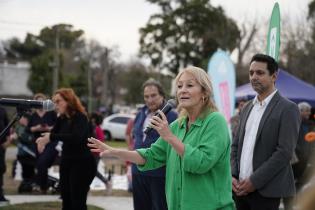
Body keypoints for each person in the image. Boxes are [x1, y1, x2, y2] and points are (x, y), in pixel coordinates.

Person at [88, 66, 234, 210]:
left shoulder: (215, 121)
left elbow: (201, 162)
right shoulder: (178, 125)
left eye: (189, 85)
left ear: (205, 92)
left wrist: (169, 137)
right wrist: (115, 151)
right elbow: (150, 155)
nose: (182, 90)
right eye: (179, 86)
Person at [231, 54, 301, 210]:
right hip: (239, 191)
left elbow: (284, 153)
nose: (254, 77)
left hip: (266, 193)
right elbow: (235, 146)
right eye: (251, 73)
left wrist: (254, 182)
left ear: (274, 76)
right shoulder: (247, 107)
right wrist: (233, 175)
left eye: (260, 73)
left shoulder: (288, 109)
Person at [36, 88, 96, 210]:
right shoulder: (61, 118)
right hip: (67, 162)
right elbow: (53, 134)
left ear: (69, 101)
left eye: (58, 101)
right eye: (54, 102)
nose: (55, 105)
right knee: (66, 201)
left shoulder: (81, 118)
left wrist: (50, 137)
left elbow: (76, 137)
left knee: (77, 202)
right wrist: (42, 140)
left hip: (83, 164)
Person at [283, 102, 315, 210]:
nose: (309, 113)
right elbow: (291, 140)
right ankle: (290, 204)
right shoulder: (293, 123)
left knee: (302, 182)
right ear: (300, 111)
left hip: (307, 160)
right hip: (294, 159)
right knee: (291, 183)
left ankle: (299, 202)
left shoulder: (311, 125)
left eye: (309, 111)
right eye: (307, 110)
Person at [28, 93, 57, 193]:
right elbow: (29, 128)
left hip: (50, 141)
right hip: (37, 141)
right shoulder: (33, 115)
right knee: (40, 164)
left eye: (41, 102)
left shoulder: (51, 113)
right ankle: (42, 186)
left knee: (42, 162)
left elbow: (58, 126)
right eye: (37, 102)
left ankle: (43, 185)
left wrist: (48, 128)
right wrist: (36, 128)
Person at [10, 112, 37, 193]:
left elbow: (29, 139)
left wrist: (19, 136)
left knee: (30, 171)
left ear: (26, 119)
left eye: (22, 118)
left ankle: (29, 185)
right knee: (25, 172)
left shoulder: (31, 128)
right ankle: (26, 186)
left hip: (31, 154)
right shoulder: (19, 127)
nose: (20, 119)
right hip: (22, 154)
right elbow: (16, 141)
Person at [0, 106, 12, 205]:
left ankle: (0, 194)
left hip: (2, 145)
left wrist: (8, 140)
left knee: (1, 168)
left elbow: (7, 125)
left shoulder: (2, 109)